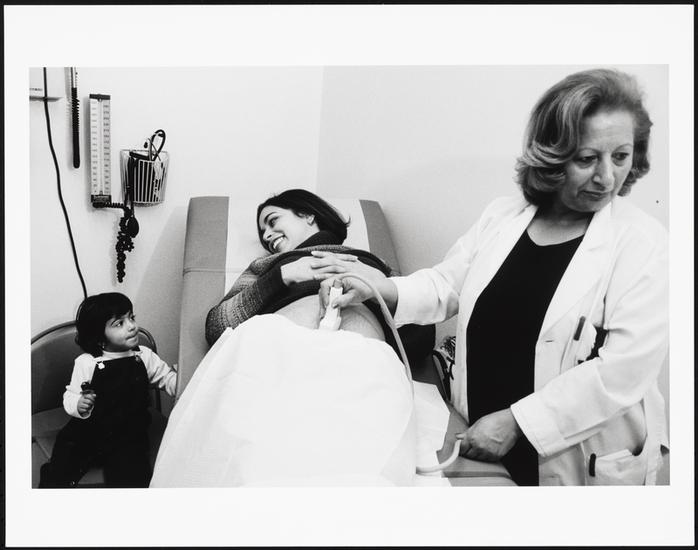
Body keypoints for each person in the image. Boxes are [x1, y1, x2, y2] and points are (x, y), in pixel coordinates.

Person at [321, 68, 669, 486]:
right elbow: (447, 285)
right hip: (481, 437)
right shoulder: (504, 216)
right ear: (553, 155)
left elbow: (622, 372)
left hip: (573, 459)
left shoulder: (643, 244)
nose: (607, 177)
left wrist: (518, 422)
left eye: (621, 156)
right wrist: (380, 288)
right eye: (587, 158)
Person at [150, 190, 432, 487]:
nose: (267, 235)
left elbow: (421, 338)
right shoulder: (268, 266)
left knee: (351, 467)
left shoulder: (369, 263)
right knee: (265, 463)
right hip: (273, 356)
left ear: (307, 214)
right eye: (263, 233)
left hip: (359, 365)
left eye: (272, 221)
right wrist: (282, 276)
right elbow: (218, 325)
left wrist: (378, 288)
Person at [39, 292, 177, 488]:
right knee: (61, 466)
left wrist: (181, 382)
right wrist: (79, 404)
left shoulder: (144, 356)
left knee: (134, 479)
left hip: (128, 435)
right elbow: (71, 394)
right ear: (98, 335)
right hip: (89, 433)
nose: (132, 326)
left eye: (131, 317)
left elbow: (166, 378)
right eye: (119, 323)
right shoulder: (87, 362)